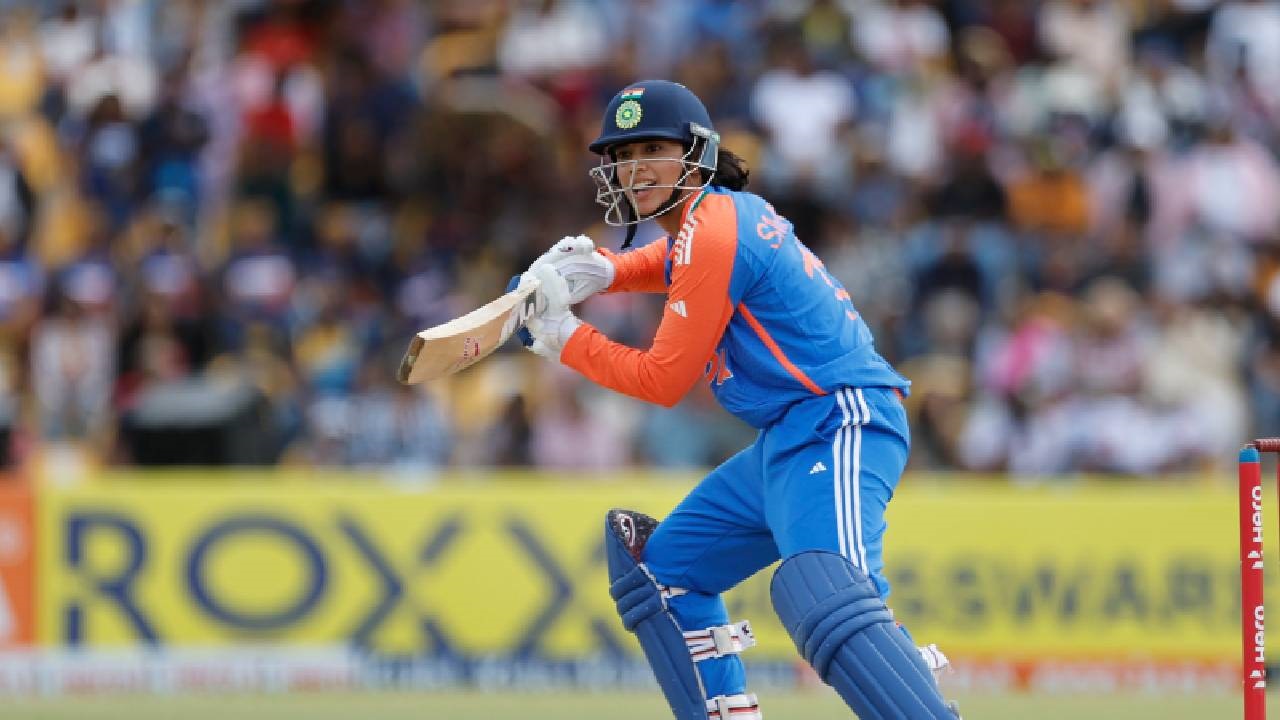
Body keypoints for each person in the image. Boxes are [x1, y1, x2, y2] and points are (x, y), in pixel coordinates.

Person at [519, 80, 960, 720]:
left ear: (696, 154)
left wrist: (566, 339)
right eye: (623, 154)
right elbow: (675, 259)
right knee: (664, 574)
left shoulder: (714, 231)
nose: (635, 168)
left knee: (827, 592)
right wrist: (608, 272)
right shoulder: (714, 220)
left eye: (652, 149)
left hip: (841, 421)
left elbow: (663, 380)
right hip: (789, 435)